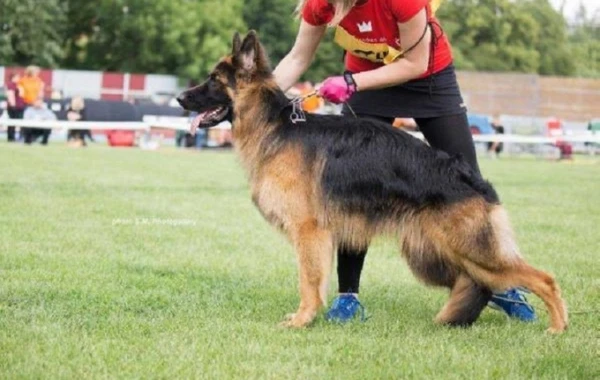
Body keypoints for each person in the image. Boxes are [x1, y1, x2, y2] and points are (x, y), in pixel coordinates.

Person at [273, 0, 536, 323]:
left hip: (427, 77)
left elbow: (414, 63)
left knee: (468, 183)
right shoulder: (320, 4)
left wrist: (352, 84)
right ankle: (348, 297)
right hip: (368, 79)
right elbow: (298, 57)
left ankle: (500, 282)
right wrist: (260, 96)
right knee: (351, 187)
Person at [5, 73, 25, 142]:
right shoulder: (11, 84)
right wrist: (13, 105)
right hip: (14, 107)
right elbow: (10, 95)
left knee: (17, 122)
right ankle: (11, 138)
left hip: (19, 106)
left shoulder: (17, 85)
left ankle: (15, 137)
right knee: (12, 122)